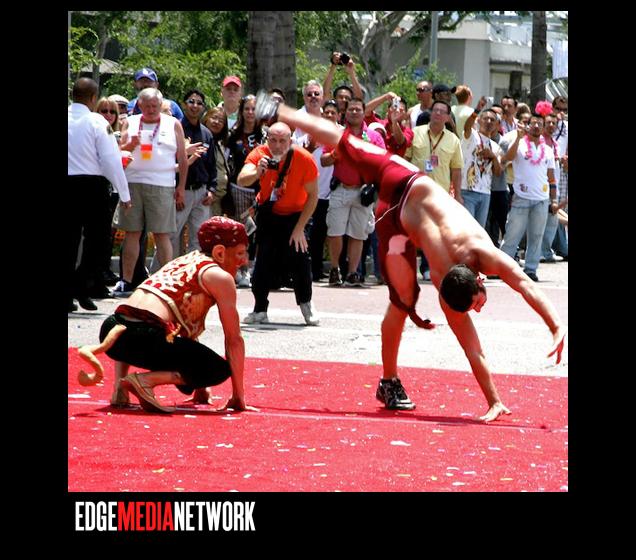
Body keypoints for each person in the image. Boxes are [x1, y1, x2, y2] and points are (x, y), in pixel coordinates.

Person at [254, 92, 566, 422]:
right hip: (401, 199)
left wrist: (555, 326)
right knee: (347, 144)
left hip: (402, 200)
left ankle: (388, 381)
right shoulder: (469, 262)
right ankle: (281, 111)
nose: (480, 307)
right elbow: (488, 326)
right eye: (478, 303)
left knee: (402, 299)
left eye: (475, 305)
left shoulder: (458, 277)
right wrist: (550, 329)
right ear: (478, 279)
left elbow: (512, 301)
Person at [77, 217, 257, 413]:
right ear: (220, 252)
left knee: (135, 324)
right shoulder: (219, 277)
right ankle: (145, 381)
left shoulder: (184, 260)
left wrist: (199, 384)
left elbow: (138, 318)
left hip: (111, 328)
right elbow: (233, 339)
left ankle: (119, 389)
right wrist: (238, 396)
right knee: (218, 369)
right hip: (143, 336)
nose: (244, 260)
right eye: (240, 253)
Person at [238, 122, 320, 326]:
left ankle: (306, 304)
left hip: (296, 215)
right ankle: (259, 309)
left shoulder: (304, 158)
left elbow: (313, 196)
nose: (277, 146)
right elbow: (242, 179)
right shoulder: (260, 153)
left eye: (283, 141)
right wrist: (257, 172)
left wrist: (300, 228)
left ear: (290, 141)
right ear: (267, 140)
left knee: (300, 259)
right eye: (273, 140)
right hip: (269, 212)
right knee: (263, 260)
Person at [113, 87, 188, 296]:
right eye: (147, 106)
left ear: (161, 104)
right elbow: (118, 152)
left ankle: (166, 281)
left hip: (162, 184)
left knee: (162, 234)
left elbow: (182, 158)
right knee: (132, 233)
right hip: (133, 182)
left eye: (155, 106)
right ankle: (126, 281)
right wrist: (131, 144)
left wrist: (181, 187)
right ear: (139, 105)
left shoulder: (173, 123)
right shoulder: (130, 121)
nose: (151, 110)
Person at [68, 78, 131, 313]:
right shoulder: (97, 122)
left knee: (70, 239)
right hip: (92, 185)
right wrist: (124, 193)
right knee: (97, 240)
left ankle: (74, 288)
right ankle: (80, 284)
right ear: (94, 98)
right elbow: (110, 160)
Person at [321, 97, 386, 287]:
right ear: (345, 113)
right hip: (341, 189)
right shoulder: (337, 134)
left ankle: (352, 273)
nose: (354, 112)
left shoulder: (373, 137)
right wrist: (335, 154)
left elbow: (383, 162)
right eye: (351, 109)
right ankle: (335, 270)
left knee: (358, 234)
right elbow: (324, 161)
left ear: (364, 112)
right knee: (335, 232)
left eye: (358, 109)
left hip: (363, 192)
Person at [499, 113, 558, 282]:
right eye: (533, 123)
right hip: (521, 197)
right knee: (512, 234)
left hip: (542, 199)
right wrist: (518, 138)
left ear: (543, 127)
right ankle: (502, 268)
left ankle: (531, 269)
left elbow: (551, 177)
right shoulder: (519, 144)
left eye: (540, 123)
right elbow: (508, 158)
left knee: (536, 236)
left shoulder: (548, 150)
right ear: (528, 125)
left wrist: (554, 200)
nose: (537, 126)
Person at [170, 89, 217, 259]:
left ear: (203, 107)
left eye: (199, 103)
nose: (195, 106)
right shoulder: (176, 129)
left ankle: (193, 271)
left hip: (201, 193)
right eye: (191, 101)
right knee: (171, 237)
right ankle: (164, 272)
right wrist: (178, 190)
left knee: (199, 239)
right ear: (184, 105)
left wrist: (212, 189)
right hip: (180, 192)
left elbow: (212, 166)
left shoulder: (206, 133)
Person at [459, 103, 503, 228]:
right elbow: (467, 126)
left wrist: (493, 156)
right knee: (467, 228)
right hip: (467, 190)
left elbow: (498, 172)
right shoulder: (472, 135)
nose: (488, 122)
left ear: (496, 124)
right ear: (479, 120)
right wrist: (476, 111)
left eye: (492, 120)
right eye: (485, 118)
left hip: (485, 193)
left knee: (479, 230)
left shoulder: (496, 147)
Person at [202, 106, 233, 218]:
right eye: (214, 118)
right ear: (206, 118)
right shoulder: (199, 140)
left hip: (218, 200)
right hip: (203, 198)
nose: (217, 122)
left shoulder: (221, 144)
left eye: (221, 121)